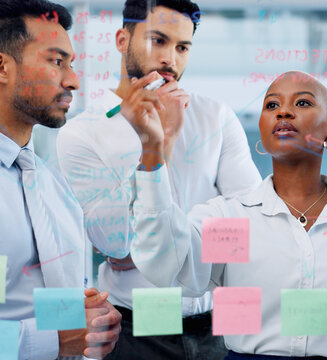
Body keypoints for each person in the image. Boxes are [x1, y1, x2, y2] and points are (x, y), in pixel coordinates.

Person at [122, 70, 327, 359]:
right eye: (272, 105)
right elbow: (169, 266)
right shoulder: (232, 221)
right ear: (261, 129)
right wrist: (152, 152)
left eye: (302, 102)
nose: (283, 111)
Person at [56, 0, 262, 359]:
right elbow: (117, 244)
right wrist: (158, 148)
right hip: (136, 331)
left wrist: (160, 245)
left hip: (216, 325)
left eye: (182, 47)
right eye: (158, 41)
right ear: (122, 40)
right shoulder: (81, 134)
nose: (171, 59)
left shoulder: (216, 116)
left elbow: (252, 224)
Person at [0, 0, 121, 359]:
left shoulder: (54, 186)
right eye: (56, 62)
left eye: (71, 64)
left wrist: (92, 319)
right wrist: (53, 339)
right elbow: (54, 335)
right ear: (2, 68)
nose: (73, 80)